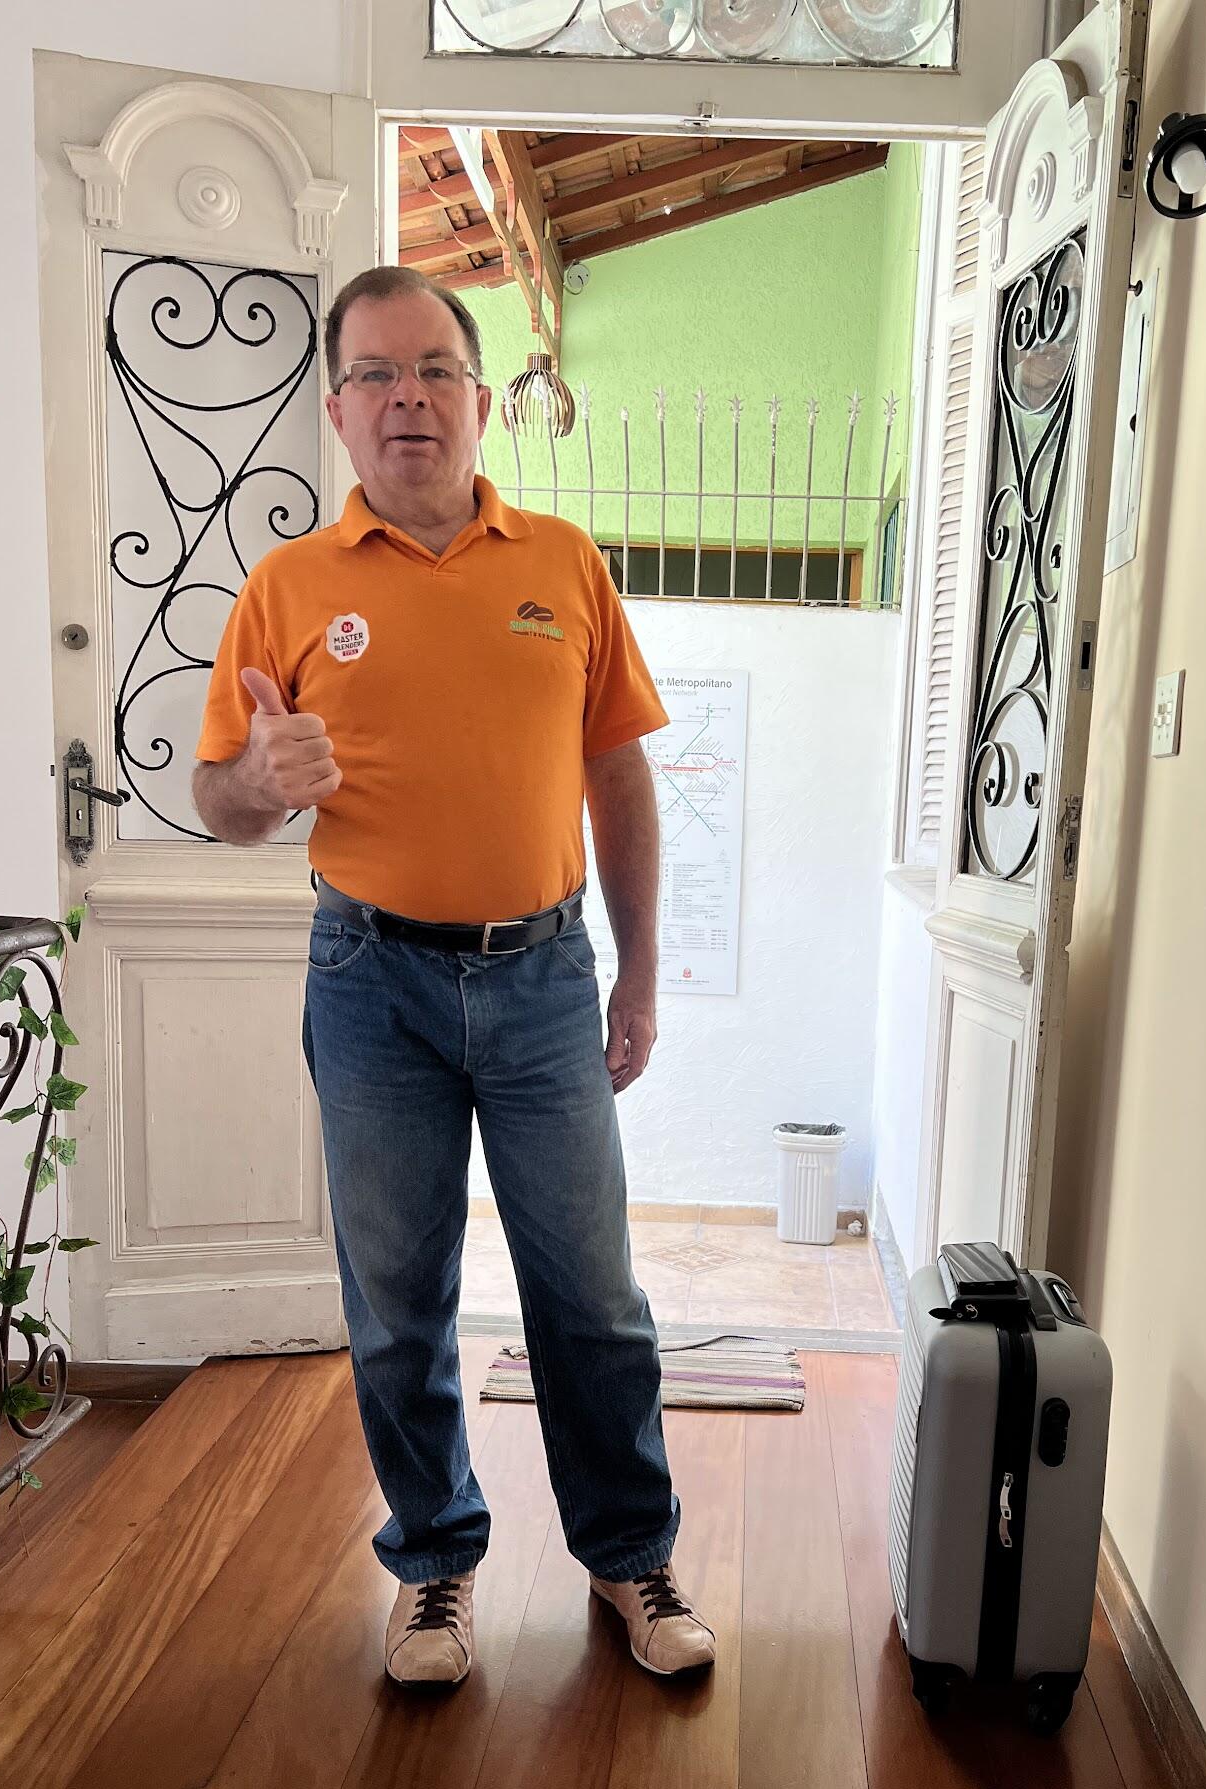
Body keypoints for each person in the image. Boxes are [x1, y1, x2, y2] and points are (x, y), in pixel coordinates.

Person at [192, 265, 713, 1687]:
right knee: (397, 1301)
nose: (406, 398)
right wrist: (261, 780)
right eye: (374, 373)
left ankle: (630, 1553)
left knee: (591, 1295)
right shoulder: (288, 588)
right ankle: (434, 1566)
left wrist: (639, 977)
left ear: (481, 400)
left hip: (545, 978)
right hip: (370, 984)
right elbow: (220, 802)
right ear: (339, 410)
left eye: (434, 369)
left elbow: (619, 777)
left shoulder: (564, 563)